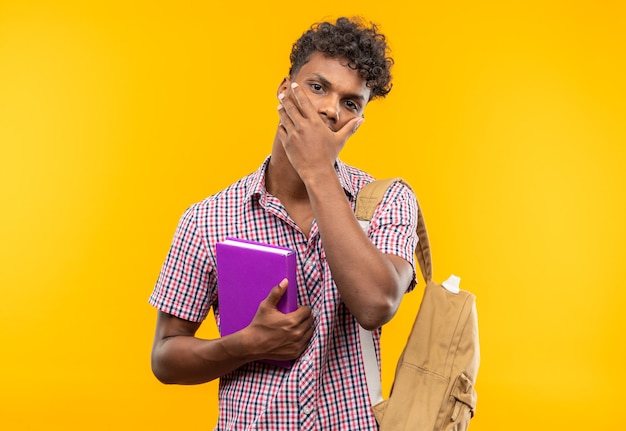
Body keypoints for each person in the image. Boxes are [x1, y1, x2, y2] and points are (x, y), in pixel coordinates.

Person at [149, 16, 419, 430]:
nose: (330, 109)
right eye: (318, 87)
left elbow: (376, 304)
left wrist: (317, 173)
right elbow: (166, 358)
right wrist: (244, 345)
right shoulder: (207, 218)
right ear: (284, 90)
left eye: (351, 103)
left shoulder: (388, 201)